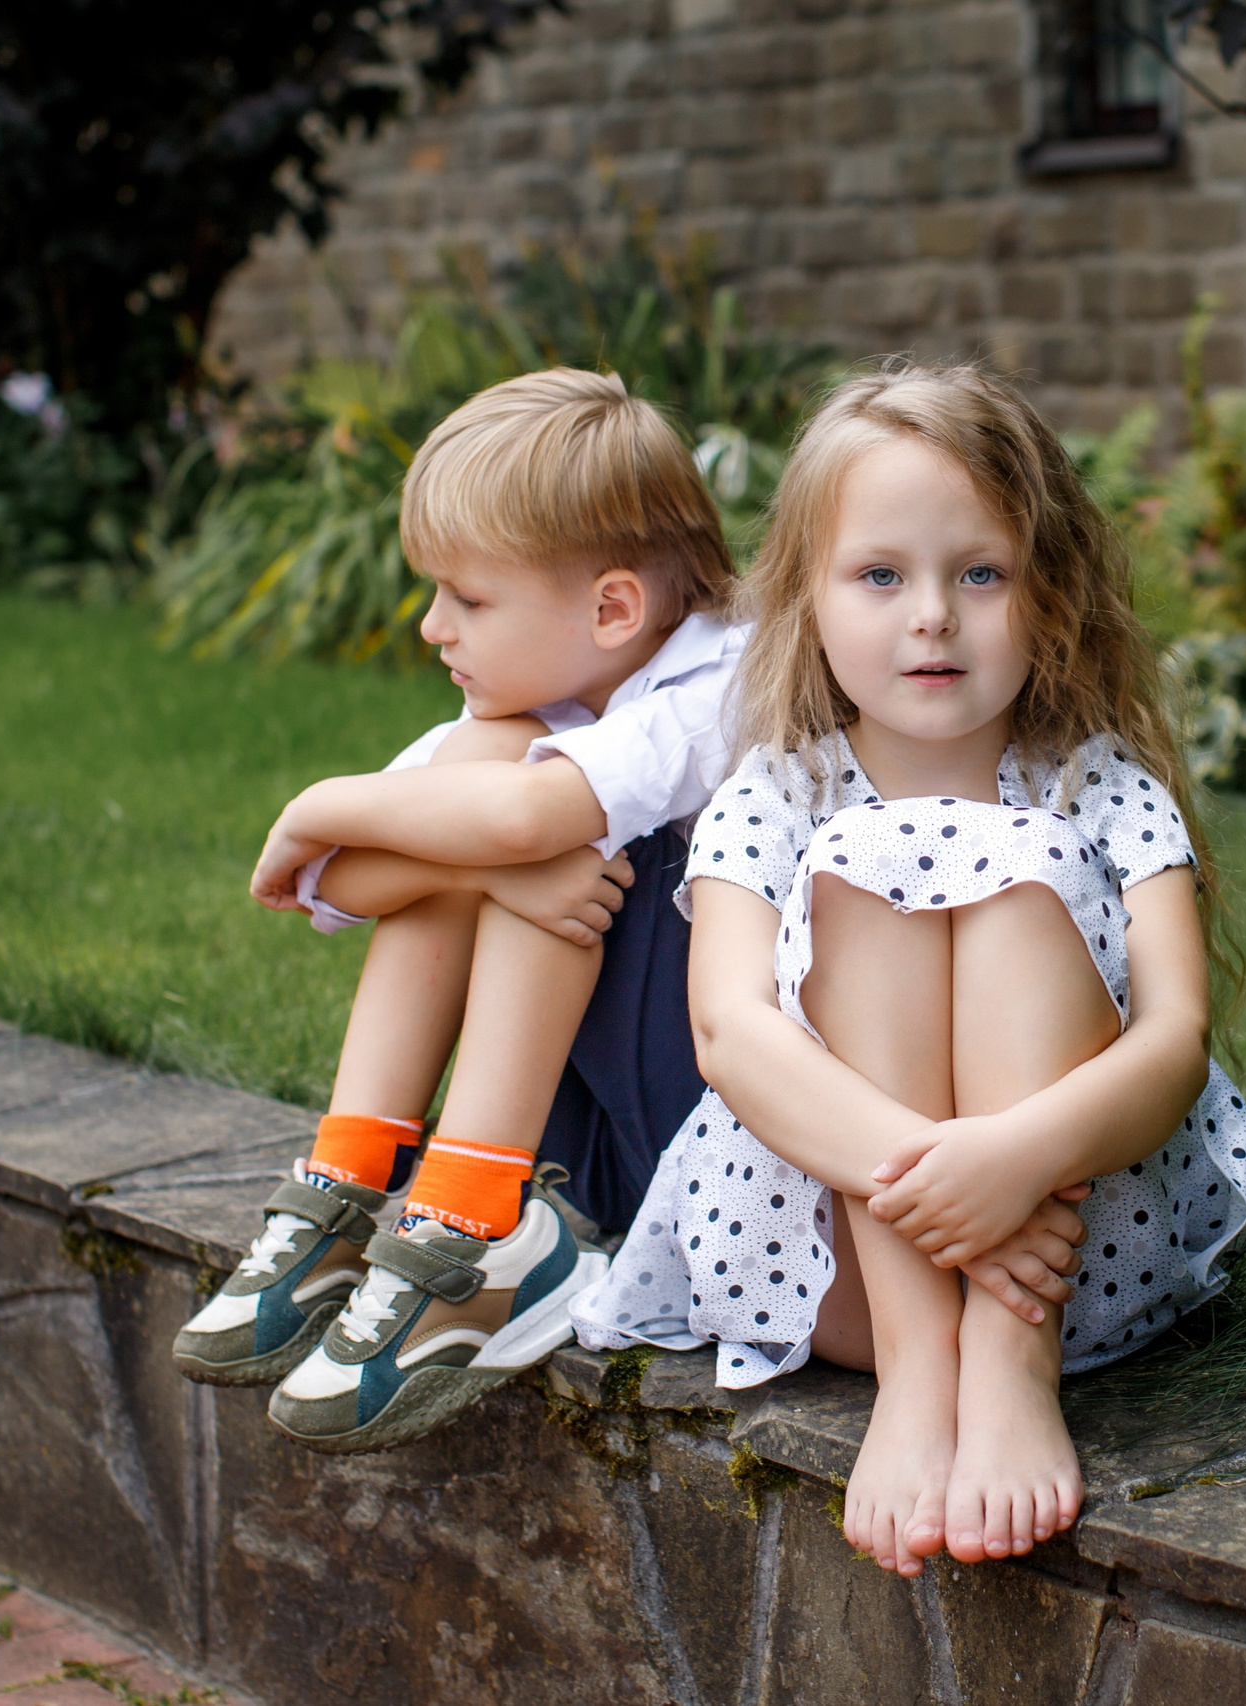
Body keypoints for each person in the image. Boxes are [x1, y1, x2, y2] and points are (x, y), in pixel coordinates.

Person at [572, 363, 1246, 1576]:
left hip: (1072, 1256)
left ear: (1052, 593)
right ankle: (919, 1369)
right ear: (808, 600)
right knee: (863, 863)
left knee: (1022, 869)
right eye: (881, 575)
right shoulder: (779, 793)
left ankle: (1005, 1364)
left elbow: (1172, 1041)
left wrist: (1014, 1159)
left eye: (980, 572)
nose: (932, 613)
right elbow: (729, 1031)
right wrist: (937, 1178)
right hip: (831, 1266)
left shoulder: (1097, 784)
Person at [171, 368, 745, 1455]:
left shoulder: (724, 682)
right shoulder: (525, 715)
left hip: (721, 1143)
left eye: (467, 600)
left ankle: (470, 1226)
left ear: (613, 607)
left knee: (521, 816)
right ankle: (348, 1187)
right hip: (585, 1150)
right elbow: (336, 884)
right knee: (483, 808)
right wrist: (487, 875)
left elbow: (510, 823)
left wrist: (317, 802)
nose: (434, 627)